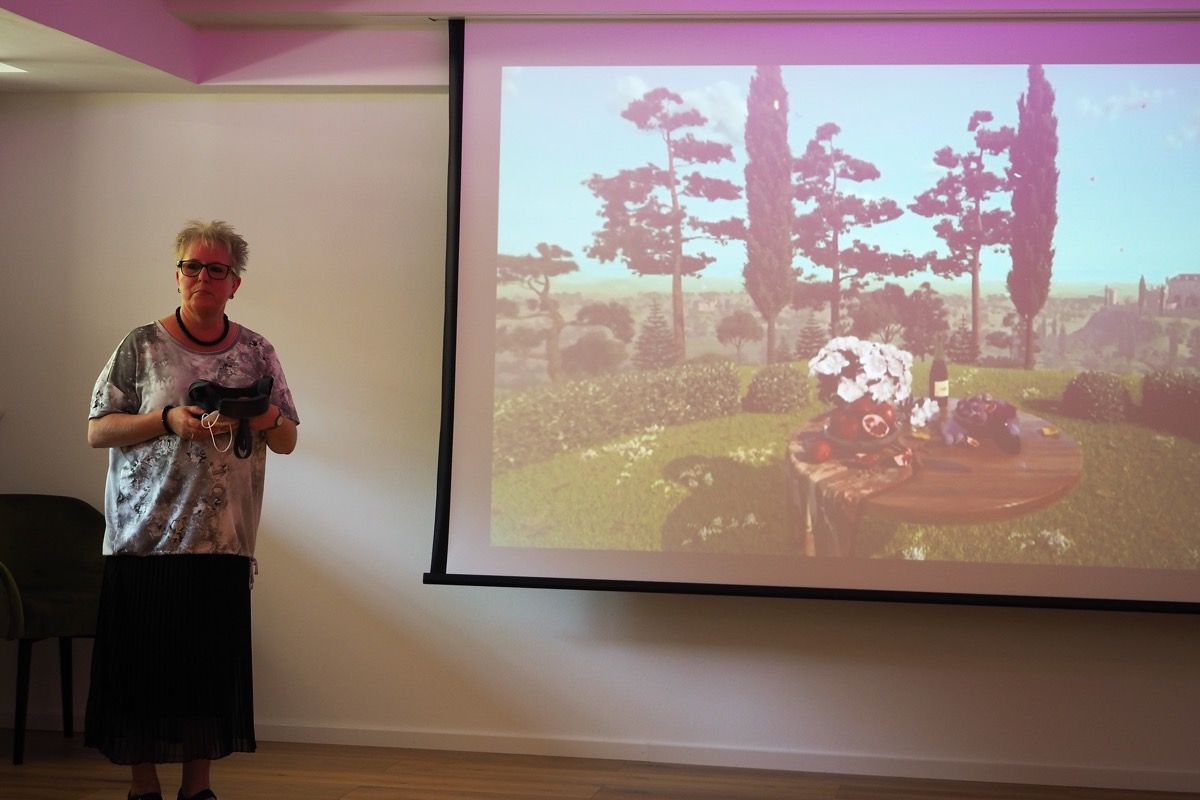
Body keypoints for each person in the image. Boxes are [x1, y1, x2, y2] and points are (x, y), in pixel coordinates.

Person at [85, 220, 299, 800]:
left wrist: (263, 417)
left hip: (222, 539)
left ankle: (197, 788)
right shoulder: (140, 346)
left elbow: (286, 440)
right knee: (140, 676)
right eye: (192, 266)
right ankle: (143, 786)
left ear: (235, 283)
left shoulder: (256, 351)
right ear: (177, 275)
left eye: (217, 268)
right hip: (143, 539)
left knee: (206, 676)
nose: (203, 276)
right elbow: (97, 430)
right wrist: (166, 420)